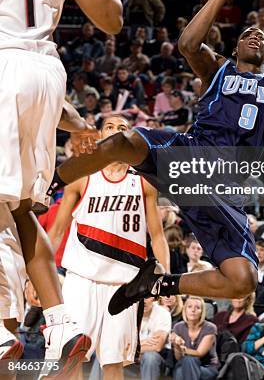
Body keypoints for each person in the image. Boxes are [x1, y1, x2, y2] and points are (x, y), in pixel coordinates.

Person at [58, 0, 264, 307]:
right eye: (246, 35)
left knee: (243, 281)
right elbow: (189, 44)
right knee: (118, 144)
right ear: (235, 49)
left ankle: (161, 285)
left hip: (225, 185)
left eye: (261, 38)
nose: (255, 35)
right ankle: (56, 182)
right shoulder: (218, 69)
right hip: (190, 155)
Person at [0, 0, 122, 372]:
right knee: (23, 207)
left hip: (2, 64)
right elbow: (113, 18)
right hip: (47, 73)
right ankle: (61, 321)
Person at [47, 115, 170, 379]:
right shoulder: (82, 177)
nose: (116, 132)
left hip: (123, 286)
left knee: (113, 363)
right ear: (101, 137)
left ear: (129, 140)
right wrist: (38, 278)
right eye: (110, 127)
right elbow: (55, 231)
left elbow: (158, 236)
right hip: (81, 279)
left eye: (123, 128)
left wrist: (165, 278)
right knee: (70, 358)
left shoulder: (143, 181)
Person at [171, 296, 219, 380]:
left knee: (186, 363)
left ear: (202, 312)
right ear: (185, 310)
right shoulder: (178, 327)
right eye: (189, 307)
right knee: (184, 365)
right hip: (184, 364)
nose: (193, 310)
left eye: (197, 308)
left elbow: (199, 353)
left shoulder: (210, 328)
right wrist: (176, 345)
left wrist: (183, 348)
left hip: (206, 367)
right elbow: (178, 357)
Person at [139, 297, 172, 380]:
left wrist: (133, 347)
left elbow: (157, 346)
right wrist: (144, 342)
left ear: (154, 298)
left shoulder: (162, 313)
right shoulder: (128, 313)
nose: (143, 301)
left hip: (158, 358)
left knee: (149, 356)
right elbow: (120, 345)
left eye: (147, 297)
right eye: (139, 297)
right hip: (131, 358)